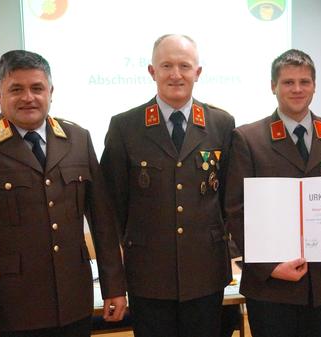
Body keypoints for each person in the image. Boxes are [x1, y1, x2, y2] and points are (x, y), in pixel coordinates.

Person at [0, 50, 127, 337]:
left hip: (74, 304)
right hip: (13, 311)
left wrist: (115, 287)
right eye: (16, 89)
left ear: (51, 91)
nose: (28, 97)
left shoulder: (77, 139)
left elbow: (103, 223)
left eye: (37, 88)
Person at [225, 49, 321, 337]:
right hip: (271, 285)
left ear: (315, 85)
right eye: (288, 82)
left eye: (304, 81)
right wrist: (268, 267)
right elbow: (235, 211)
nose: (297, 89)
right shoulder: (248, 138)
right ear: (273, 87)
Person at [100, 34, 235, 337]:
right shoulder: (125, 127)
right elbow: (112, 207)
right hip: (149, 275)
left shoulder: (221, 124)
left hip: (205, 273)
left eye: (185, 66)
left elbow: (229, 198)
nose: (176, 74)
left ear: (197, 73)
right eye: (167, 66)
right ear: (152, 71)